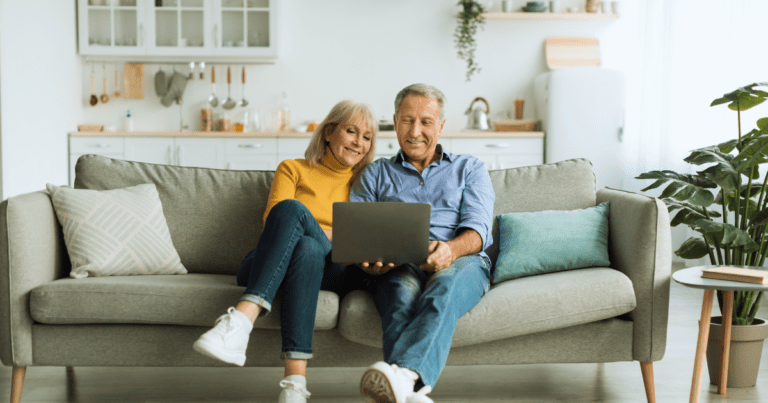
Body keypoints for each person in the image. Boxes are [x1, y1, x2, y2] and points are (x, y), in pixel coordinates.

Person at [193, 100, 378, 403]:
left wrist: (324, 234)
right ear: (329, 132)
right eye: (351, 131)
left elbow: (360, 239)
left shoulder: (366, 183)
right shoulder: (292, 169)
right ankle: (294, 387)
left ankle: (240, 321)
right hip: (270, 261)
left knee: (303, 232)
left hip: (332, 270)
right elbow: (275, 223)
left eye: (367, 137)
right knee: (300, 236)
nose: (359, 142)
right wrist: (333, 233)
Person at [351, 84, 495, 403]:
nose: (415, 131)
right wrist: (368, 259)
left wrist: (450, 249)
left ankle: (405, 377)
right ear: (395, 121)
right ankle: (413, 391)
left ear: (441, 126)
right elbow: (359, 235)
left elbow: (479, 230)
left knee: (443, 289)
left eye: (426, 122)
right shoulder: (374, 174)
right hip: (400, 264)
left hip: (462, 261)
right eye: (407, 120)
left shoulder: (469, 168)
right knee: (399, 298)